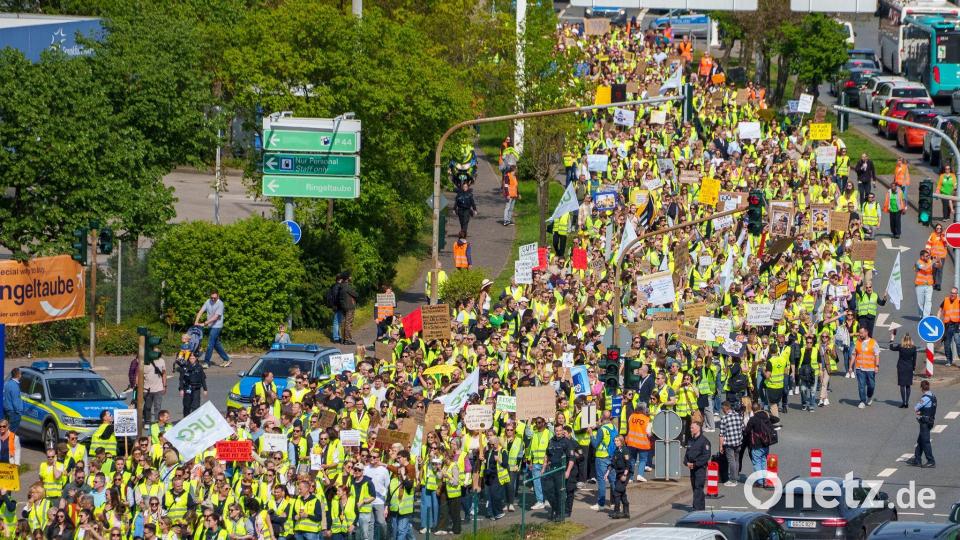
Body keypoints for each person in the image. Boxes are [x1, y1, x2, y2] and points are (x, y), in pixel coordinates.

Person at [543, 424, 578, 522]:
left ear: (563, 431)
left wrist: (567, 471)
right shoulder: (551, 441)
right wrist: (543, 468)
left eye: (560, 430)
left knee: (559, 493)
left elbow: (571, 459)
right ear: (554, 431)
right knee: (549, 491)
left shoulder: (567, 442)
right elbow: (547, 455)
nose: (558, 432)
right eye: (556, 430)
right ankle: (555, 509)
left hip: (561, 471)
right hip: (551, 470)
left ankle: (559, 513)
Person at [195, 289, 231, 368]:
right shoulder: (208, 301)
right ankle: (227, 359)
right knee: (216, 344)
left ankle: (206, 362)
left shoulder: (220, 304)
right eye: (212, 297)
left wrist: (204, 323)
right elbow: (201, 311)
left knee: (210, 344)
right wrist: (196, 322)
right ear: (210, 296)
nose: (213, 299)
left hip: (217, 326)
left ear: (218, 296)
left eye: (215, 297)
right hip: (211, 326)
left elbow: (216, 317)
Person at [905, 380, 936, 468]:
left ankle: (931, 460)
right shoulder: (933, 396)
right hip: (930, 420)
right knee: (920, 441)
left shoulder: (925, 398)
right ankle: (917, 459)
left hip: (925, 422)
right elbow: (930, 409)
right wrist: (923, 411)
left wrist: (920, 411)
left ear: (921, 388)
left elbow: (916, 408)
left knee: (925, 441)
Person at [744, 402, 775, 487]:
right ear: (760, 408)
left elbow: (747, 431)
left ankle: (760, 481)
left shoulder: (753, 419)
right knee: (764, 461)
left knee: (757, 462)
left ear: (753, 410)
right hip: (766, 443)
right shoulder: (766, 416)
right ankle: (765, 479)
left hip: (757, 444)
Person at [683, 421, 711, 511]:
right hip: (692, 468)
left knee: (698, 487)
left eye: (692, 428)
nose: (690, 429)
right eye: (690, 427)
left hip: (700, 469)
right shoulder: (691, 440)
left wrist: (695, 464)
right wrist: (686, 462)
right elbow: (687, 453)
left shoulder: (704, 441)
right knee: (695, 487)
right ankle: (701, 508)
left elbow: (706, 456)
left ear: (698, 428)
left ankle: (696, 508)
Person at [850, 326, 880, 409]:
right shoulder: (857, 342)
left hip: (870, 369)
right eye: (859, 333)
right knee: (861, 386)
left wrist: (877, 366)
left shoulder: (873, 342)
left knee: (871, 385)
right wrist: (850, 367)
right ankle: (862, 401)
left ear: (867, 332)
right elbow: (853, 355)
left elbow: (877, 355)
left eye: (862, 333)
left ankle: (869, 396)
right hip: (860, 368)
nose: (860, 334)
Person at [889, 329, 917, 408]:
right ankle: (907, 402)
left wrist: (892, 338)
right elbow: (914, 360)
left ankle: (903, 402)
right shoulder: (913, 348)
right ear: (911, 340)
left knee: (902, 385)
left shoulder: (900, 347)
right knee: (908, 385)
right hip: (909, 367)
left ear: (903, 340)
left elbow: (891, 348)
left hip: (901, 367)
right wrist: (913, 368)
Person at [717, 401, 744, 487]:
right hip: (738, 442)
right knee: (736, 460)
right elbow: (743, 428)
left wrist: (720, 446)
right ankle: (736, 476)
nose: (722, 410)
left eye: (722, 409)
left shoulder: (724, 419)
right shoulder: (739, 416)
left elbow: (722, 434)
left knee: (731, 461)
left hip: (729, 443)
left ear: (725, 408)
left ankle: (733, 480)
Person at [142, 347, 167, 427]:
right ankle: (147, 422)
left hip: (158, 388)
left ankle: (157, 421)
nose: (156, 354)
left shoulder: (162, 361)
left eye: (158, 352)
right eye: (154, 352)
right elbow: (140, 375)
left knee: (157, 407)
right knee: (147, 406)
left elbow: (164, 374)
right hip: (147, 389)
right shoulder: (146, 362)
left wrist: (164, 386)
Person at [609, 435, 630, 519]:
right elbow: (613, 463)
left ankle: (617, 512)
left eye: (617, 441)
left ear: (621, 441)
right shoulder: (616, 451)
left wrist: (625, 475)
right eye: (615, 441)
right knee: (622, 493)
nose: (615, 442)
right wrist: (607, 473)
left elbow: (628, 464)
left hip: (625, 473)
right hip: (619, 474)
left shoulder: (625, 450)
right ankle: (626, 512)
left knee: (617, 492)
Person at [337, 272, 358, 345]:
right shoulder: (347, 286)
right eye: (350, 277)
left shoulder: (341, 286)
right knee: (348, 323)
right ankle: (347, 339)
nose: (351, 278)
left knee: (343, 323)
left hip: (343, 307)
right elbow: (355, 294)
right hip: (349, 307)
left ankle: (343, 339)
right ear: (347, 278)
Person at [927, 223, 948, 291]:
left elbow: (946, 244)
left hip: (941, 256)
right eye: (937, 228)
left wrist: (942, 237)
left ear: (941, 229)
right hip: (933, 257)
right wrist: (927, 253)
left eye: (940, 228)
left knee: (940, 270)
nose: (938, 229)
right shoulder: (932, 235)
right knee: (934, 270)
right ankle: (934, 283)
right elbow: (928, 244)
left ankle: (938, 284)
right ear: (935, 229)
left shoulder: (944, 236)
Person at [915, 249, 935, 318]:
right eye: (926, 256)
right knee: (920, 302)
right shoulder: (918, 262)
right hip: (919, 286)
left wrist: (939, 260)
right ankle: (921, 315)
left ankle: (926, 317)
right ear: (921, 257)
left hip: (929, 286)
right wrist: (933, 262)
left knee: (928, 301)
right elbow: (925, 268)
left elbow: (939, 266)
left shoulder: (930, 261)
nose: (928, 257)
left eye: (928, 256)